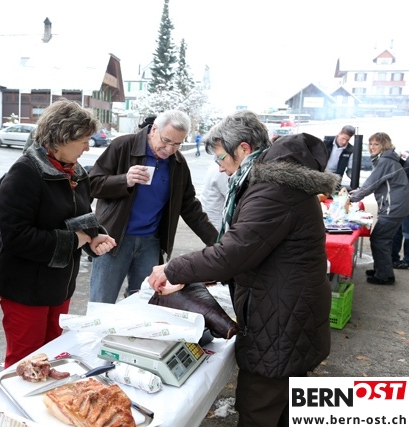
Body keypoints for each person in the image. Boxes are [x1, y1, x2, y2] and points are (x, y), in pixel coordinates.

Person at [147, 110, 339, 427]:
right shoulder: (274, 182)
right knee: (284, 403)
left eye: (221, 156)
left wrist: (173, 269)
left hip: (280, 318)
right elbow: (254, 249)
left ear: (244, 149)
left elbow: (234, 252)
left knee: (259, 407)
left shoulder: (273, 189)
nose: (219, 166)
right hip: (289, 310)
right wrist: (210, 274)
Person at [0, 99, 116, 368]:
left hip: (59, 286)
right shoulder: (25, 173)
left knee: (52, 355)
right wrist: (74, 241)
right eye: (83, 141)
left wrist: (94, 236)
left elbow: (80, 216)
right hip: (26, 289)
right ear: (61, 138)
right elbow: (16, 237)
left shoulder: (74, 171)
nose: (88, 147)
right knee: (27, 363)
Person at [88, 109, 218, 304]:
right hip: (113, 239)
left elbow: (190, 207)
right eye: (166, 141)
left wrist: (217, 243)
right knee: (102, 302)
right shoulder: (123, 145)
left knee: (146, 303)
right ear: (154, 130)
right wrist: (124, 180)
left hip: (150, 243)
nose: (170, 149)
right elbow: (91, 184)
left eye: (177, 144)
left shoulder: (178, 163)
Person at [349, 132, 409, 285]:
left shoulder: (385, 161)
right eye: (371, 144)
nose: (372, 147)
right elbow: (377, 182)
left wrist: (351, 199)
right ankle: (381, 270)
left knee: (379, 239)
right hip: (396, 205)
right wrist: (359, 191)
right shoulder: (387, 159)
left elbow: (372, 183)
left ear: (384, 145)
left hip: (393, 207)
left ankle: (384, 276)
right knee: (384, 240)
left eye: (376, 144)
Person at [200, 158, 229, 233]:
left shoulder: (216, 164)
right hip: (217, 223)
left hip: (210, 220)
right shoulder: (222, 169)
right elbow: (230, 194)